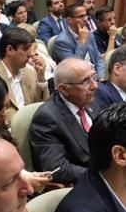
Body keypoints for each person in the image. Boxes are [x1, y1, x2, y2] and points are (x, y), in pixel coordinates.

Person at [30, 58, 100, 186]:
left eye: (93, 77)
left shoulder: (90, 101)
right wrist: (101, 176)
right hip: (86, 185)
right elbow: (56, 168)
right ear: (63, 89)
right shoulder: (47, 118)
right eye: (85, 81)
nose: (94, 85)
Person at [0, 27, 48, 122]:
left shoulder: (30, 72)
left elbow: (41, 106)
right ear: (10, 50)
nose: (30, 54)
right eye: (25, 49)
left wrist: (41, 78)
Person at [51, 3, 105, 78]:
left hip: (93, 76)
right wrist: (82, 42)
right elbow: (73, 67)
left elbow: (97, 58)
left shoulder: (88, 33)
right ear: (69, 20)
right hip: (76, 79)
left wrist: (101, 78)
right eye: (80, 16)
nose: (85, 19)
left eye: (85, 15)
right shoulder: (61, 41)